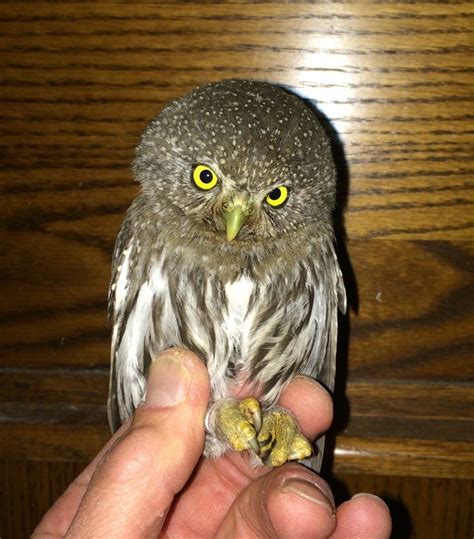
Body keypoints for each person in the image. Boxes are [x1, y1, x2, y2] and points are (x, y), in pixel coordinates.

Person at [33, 348, 391, 538]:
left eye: (275, 200)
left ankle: (262, 423)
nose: (235, 219)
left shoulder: (308, 244)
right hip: (187, 435)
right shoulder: (154, 228)